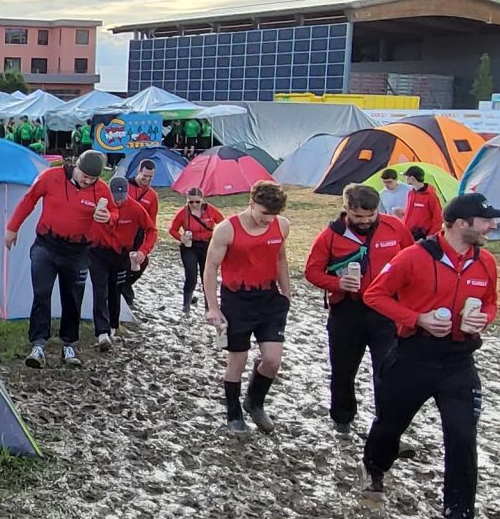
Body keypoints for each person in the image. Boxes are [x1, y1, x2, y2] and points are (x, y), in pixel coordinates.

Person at [362, 191, 500, 519]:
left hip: (459, 361)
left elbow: (491, 302)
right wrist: (416, 318)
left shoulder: (484, 262)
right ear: (461, 223)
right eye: (486, 220)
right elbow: (375, 295)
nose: (494, 225)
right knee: (391, 425)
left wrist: (483, 318)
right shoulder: (414, 256)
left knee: (462, 434)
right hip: (413, 356)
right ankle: (375, 467)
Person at [303, 184, 412, 433]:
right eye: (358, 217)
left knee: (387, 370)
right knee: (343, 369)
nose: (364, 221)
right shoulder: (330, 236)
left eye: (369, 216)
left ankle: (385, 424)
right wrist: (337, 283)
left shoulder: (395, 228)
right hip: (347, 311)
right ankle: (342, 418)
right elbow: (311, 271)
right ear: (346, 209)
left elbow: (412, 261)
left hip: (386, 310)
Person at [4, 148, 108, 368]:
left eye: (92, 178)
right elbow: (29, 199)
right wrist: (12, 227)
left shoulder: (101, 190)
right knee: (42, 294)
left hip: (77, 251)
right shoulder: (51, 177)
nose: (87, 181)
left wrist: (108, 216)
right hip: (47, 245)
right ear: (76, 166)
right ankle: (39, 343)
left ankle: (69, 344)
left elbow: (112, 214)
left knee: (72, 299)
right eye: (84, 176)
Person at [203, 182, 294, 431]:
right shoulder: (226, 230)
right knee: (237, 362)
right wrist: (213, 307)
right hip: (237, 300)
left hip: (269, 298)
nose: (269, 220)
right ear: (251, 203)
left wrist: (286, 293)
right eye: (265, 213)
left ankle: (254, 402)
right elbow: (210, 268)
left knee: (273, 360)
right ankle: (234, 414)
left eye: (273, 215)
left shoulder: (282, 226)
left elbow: (281, 258)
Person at [90, 156, 160, 347]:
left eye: (122, 198)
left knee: (116, 290)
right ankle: (102, 333)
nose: (119, 202)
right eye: (115, 198)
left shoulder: (136, 209)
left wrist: (143, 251)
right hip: (98, 252)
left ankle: (113, 327)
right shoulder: (100, 204)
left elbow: (152, 230)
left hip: (121, 254)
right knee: (100, 290)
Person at [170, 190, 224, 316]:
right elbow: (172, 229)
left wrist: (219, 238)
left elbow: (223, 224)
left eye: (197, 202)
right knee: (191, 277)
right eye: (191, 202)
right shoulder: (183, 213)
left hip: (208, 246)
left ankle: (209, 307)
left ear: (202, 200)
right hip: (190, 246)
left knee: (208, 277)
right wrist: (181, 238)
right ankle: (186, 307)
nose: (194, 204)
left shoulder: (211, 210)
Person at [401, 165, 443, 239]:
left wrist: (431, 235)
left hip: (423, 236)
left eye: (406, 176)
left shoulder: (430, 196)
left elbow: (438, 217)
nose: (405, 179)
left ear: (412, 178)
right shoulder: (411, 193)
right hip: (409, 233)